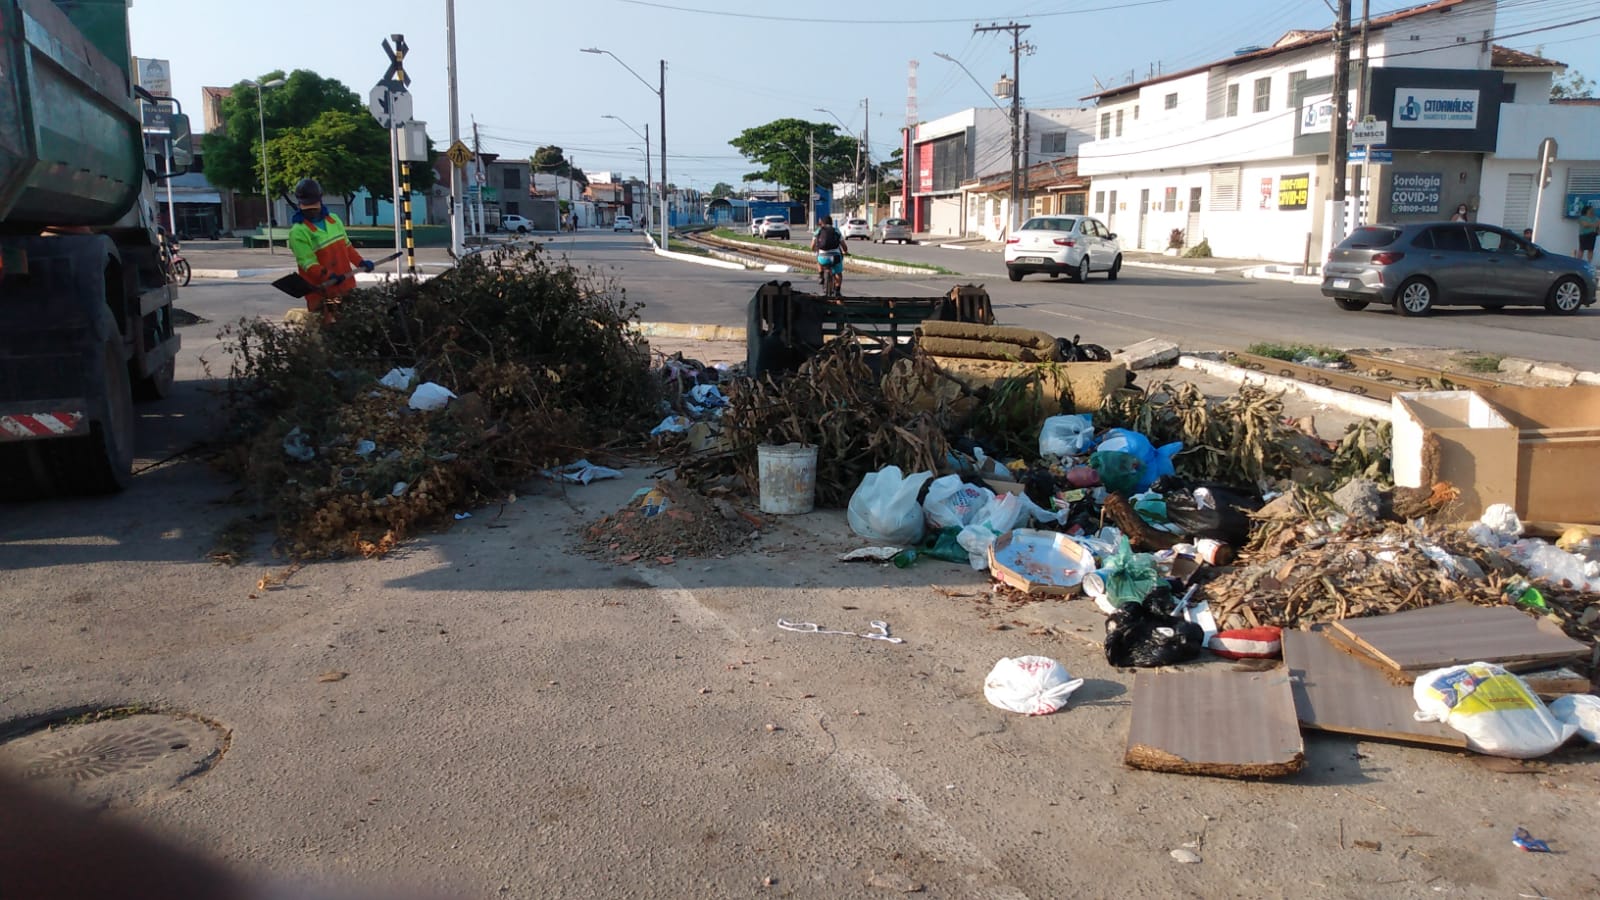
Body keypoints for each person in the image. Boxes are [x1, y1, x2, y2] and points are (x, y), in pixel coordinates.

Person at [287, 178, 371, 324]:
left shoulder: (334, 220)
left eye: (314, 204)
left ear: (320, 200)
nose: (312, 209)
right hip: (321, 295)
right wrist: (329, 276)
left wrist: (360, 262)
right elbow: (307, 263)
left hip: (346, 287)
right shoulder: (298, 232)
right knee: (328, 335)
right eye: (308, 205)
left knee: (351, 328)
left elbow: (347, 247)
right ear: (300, 204)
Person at [811, 214, 848, 295]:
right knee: (838, 273)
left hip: (823, 258)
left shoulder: (818, 230)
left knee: (818, 259)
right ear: (831, 223)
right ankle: (837, 290)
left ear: (822, 223)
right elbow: (844, 246)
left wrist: (815, 250)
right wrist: (845, 251)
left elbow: (812, 246)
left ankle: (821, 275)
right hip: (835, 257)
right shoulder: (836, 230)